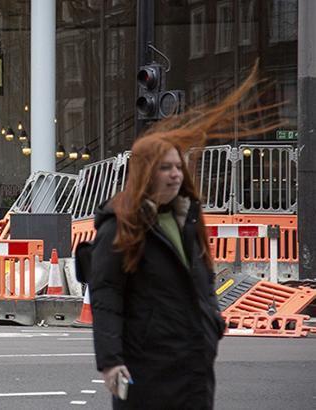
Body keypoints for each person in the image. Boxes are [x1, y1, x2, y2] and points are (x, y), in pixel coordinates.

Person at [88, 65, 281, 409]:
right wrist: (110, 361)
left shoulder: (185, 218)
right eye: (166, 167)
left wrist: (212, 324)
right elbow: (106, 296)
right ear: (146, 172)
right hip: (146, 368)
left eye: (178, 166)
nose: (176, 174)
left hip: (192, 363)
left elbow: (203, 278)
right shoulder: (120, 225)